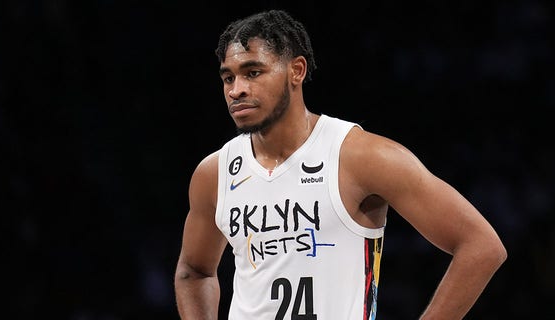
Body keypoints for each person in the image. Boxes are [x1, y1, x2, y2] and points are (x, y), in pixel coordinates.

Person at [174, 9, 507, 320]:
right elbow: (194, 271)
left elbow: (481, 246)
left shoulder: (360, 156)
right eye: (228, 78)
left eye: (253, 72)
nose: (236, 90)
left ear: (297, 71)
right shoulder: (214, 173)